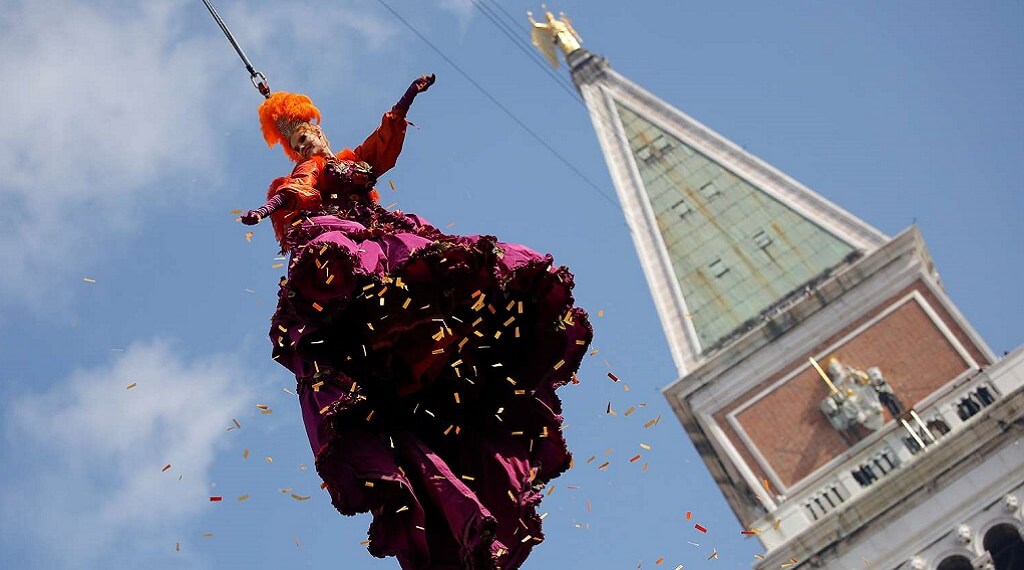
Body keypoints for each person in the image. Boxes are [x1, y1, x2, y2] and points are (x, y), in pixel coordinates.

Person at [241, 75, 592, 570]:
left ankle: (425, 330)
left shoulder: (348, 160)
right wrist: (267, 208)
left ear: (320, 130)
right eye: (296, 140)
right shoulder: (305, 177)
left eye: (309, 134)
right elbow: (296, 194)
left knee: (437, 267)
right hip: (345, 244)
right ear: (292, 148)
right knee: (338, 251)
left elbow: (382, 147)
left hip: (384, 242)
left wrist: (406, 98)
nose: (306, 142)